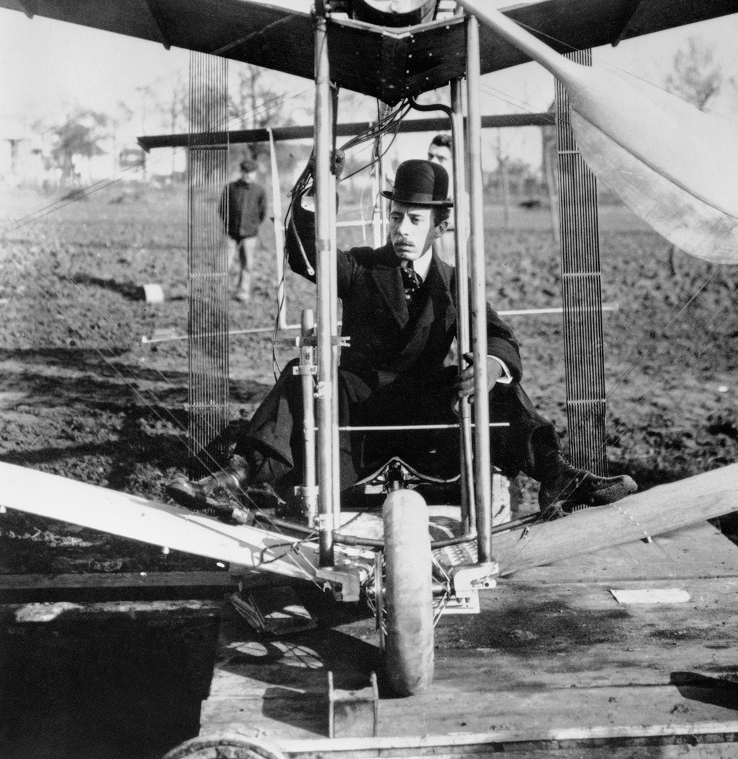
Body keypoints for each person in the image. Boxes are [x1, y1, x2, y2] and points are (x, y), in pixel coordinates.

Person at [169, 160, 636, 518]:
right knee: (301, 374)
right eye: (396, 217)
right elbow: (305, 256)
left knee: (498, 386)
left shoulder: (456, 283)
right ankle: (237, 475)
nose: (401, 230)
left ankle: (557, 476)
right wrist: (310, 194)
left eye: (414, 220)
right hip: (359, 412)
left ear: (441, 225)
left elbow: (499, 337)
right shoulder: (359, 267)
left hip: (428, 417)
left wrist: (491, 366)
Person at [219, 158, 267, 302]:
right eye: (245, 172)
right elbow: (222, 208)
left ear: (255, 174)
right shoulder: (230, 188)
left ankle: (243, 292)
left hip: (250, 234)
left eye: (251, 172)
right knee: (224, 263)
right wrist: (229, 224)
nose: (248, 175)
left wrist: (253, 225)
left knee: (247, 264)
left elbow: (262, 212)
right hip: (231, 233)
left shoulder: (259, 190)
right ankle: (220, 292)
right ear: (241, 172)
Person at [427, 133, 457, 265]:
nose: (433, 162)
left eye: (441, 158)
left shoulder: (462, 200)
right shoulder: (427, 193)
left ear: (454, 164)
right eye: (430, 156)